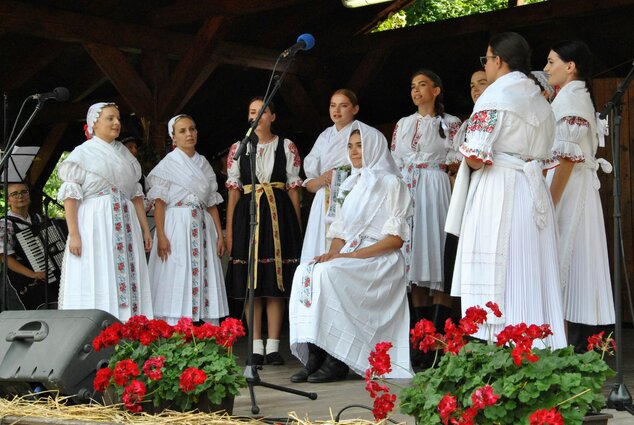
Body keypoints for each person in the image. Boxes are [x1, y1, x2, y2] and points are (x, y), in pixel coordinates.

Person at [446, 32, 566, 348]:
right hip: (532, 191)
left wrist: (466, 163)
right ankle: (537, 347)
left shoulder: (496, 95)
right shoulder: (539, 99)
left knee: (501, 272)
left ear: (497, 60)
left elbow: (474, 155)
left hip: (499, 189)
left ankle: (502, 349)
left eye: (486, 59)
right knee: (530, 272)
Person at [289, 121, 413, 383]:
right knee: (307, 270)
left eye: (361, 146)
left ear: (375, 148)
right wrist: (332, 253)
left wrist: (349, 256)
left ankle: (338, 359)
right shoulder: (348, 185)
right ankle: (317, 352)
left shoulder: (393, 183)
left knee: (331, 274)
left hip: (380, 258)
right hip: (351, 251)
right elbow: (340, 232)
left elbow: (395, 240)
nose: (355, 152)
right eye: (351, 146)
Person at [543, 40, 615, 352]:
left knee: (568, 261)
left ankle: (572, 348)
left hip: (570, 191)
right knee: (569, 265)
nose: (546, 69)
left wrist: (549, 201)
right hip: (570, 187)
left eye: (551, 62)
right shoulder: (568, 97)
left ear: (570, 66)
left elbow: (569, 158)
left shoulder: (572, 100)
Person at [57, 102, 153, 321]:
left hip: (127, 225)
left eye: (118, 118)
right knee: (99, 272)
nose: (117, 123)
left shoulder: (126, 156)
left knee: (127, 275)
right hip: (95, 224)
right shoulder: (83, 153)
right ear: (94, 123)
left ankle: (131, 326)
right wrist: (74, 234)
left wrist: (145, 230)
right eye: (110, 118)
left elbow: (136, 195)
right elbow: (71, 195)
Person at [390, 69, 462, 362]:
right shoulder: (404, 124)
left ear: (436, 90)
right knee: (415, 264)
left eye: (422, 85)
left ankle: (439, 341)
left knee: (437, 257)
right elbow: (394, 160)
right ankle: (421, 339)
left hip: (436, 188)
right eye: (412, 86)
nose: (416, 90)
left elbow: (458, 160)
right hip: (409, 189)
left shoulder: (451, 123)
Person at [225, 97, 303, 366]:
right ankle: (255, 345)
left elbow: (294, 188)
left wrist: (297, 224)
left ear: (273, 117)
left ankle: (273, 346)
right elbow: (234, 191)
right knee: (252, 282)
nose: (257, 117)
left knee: (274, 282)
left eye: (263, 112)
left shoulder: (286, 146)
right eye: (252, 112)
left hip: (279, 216)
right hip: (249, 215)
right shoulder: (239, 147)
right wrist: (229, 229)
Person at [146, 114, 229, 325]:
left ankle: (204, 329)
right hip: (176, 225)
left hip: (203, 226)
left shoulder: (204, 165)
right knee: (176, 272)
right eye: (182, 131)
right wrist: (161, 235)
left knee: (205, 273)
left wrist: (220, 234)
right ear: (173, 138)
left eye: (192, 129)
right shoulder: (167, 165)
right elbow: (160, 203)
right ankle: (174, 326)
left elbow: (211, 203)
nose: (189, 134)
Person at [301, 89, 359, 263]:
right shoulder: (325, 136)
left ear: (355, 109)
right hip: (324, 196)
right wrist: (320, 180)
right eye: (333, 105)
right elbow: (309, 183)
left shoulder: (362, 133)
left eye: (343, 105)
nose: (337, 110)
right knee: (320, 243)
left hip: (351, 195)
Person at [0, 182, 52, 309]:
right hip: (19, 280)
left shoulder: (37, 218)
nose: (20, 196)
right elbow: (4, 257)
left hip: (42, 276)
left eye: (24, 192)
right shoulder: (5, 223)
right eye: (14, 194)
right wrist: (33, 274)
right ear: (8, 200)